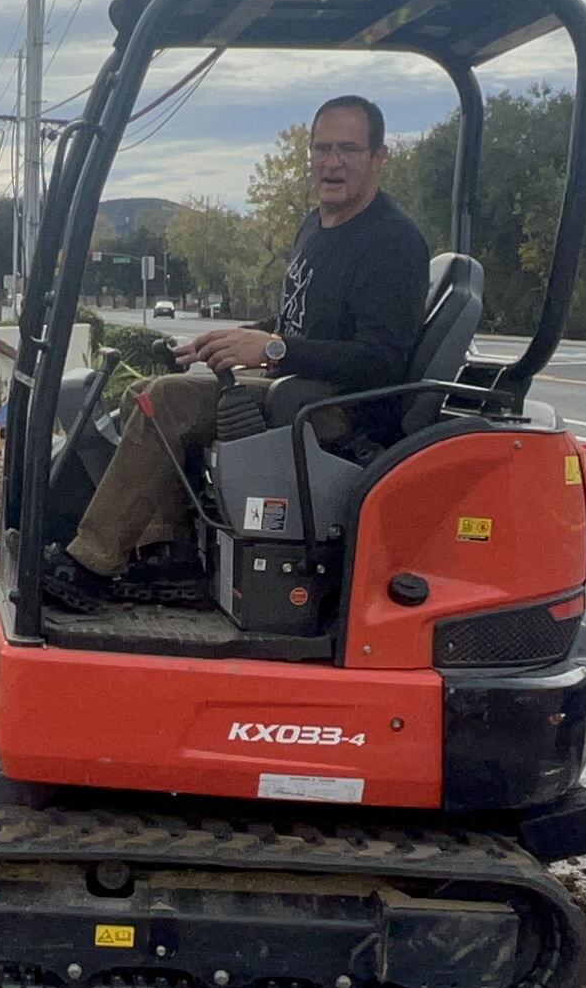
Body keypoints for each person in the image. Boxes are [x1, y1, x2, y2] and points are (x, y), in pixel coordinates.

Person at [48, 94, 431, 611]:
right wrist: (233, 339)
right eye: (322, 148)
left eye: (348, 149)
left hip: (339, 411)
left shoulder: (392, 243)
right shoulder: (317, 227)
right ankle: (169, 553)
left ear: (379, 157)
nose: (331, 162)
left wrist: (272, 350)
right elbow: (296, 322)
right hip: (297, 390)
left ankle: (90, 563)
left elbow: (380, 362)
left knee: (168, 401)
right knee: (144, 394)